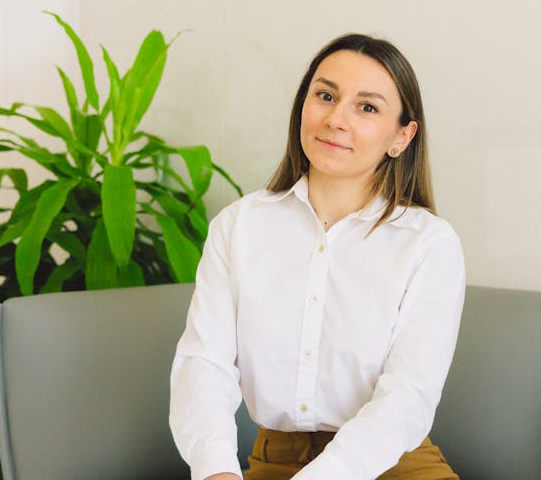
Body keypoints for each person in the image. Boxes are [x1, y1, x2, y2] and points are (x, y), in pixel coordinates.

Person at [169, 33, 466, 480]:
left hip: (391, 465)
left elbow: (408, 396)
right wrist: (215, 471)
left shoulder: (429, 244)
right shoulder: (239, 226)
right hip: (274, 462)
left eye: (367, 107)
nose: (336, 119)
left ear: (402, 137)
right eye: (325, 95)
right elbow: (204, 363)